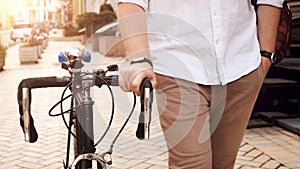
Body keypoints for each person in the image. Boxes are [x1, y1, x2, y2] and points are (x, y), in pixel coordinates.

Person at [117, 0, 283, 168]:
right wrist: (140, 60)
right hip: (177, 67)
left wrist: (266, 55)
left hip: (239, 63)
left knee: (223, 164)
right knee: (191, 164)